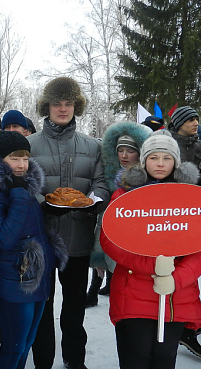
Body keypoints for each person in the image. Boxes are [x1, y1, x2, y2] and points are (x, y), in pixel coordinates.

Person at [100, 130, 201, 369]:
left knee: (164, 360)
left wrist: (176, 278)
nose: (160, 163)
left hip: (175, 296)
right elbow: (110, 240)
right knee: (136, 358)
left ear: (176, 162)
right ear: (143, 161)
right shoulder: (124, 195)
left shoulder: (191, 198)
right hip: (133, 294)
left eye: (167, 157)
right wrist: (152, 266)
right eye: (153, 157)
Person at [28, 77, 110, 369]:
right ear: (46, 107)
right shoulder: (30, 145)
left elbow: (101, 183)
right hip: (42, 240)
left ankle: (75, 360)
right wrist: (44, 204)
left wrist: (94, 202)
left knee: (74, 309)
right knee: (43, 306)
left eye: (68, 103)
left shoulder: (92, 146)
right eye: (56, 103)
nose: (63, 109)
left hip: (77, 239)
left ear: (76, 106)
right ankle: (43, 362)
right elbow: (21, 186)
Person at [0, 131, 67, 369]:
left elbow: (29, 225)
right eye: (15, 158)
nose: (22, 165)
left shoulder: (24, 185)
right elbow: (2, 238)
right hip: (12, 280)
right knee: (13, 346)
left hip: (36, 276)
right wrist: (18, 194)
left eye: (26, 158)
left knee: (26, 342)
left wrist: (49, 209)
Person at [86, 122, 151, 307]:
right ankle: (95, 291)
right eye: (120, 150)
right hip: (108, 231)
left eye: (129, 151)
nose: (123, 155)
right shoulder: (109, 174)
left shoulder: (147, 177)